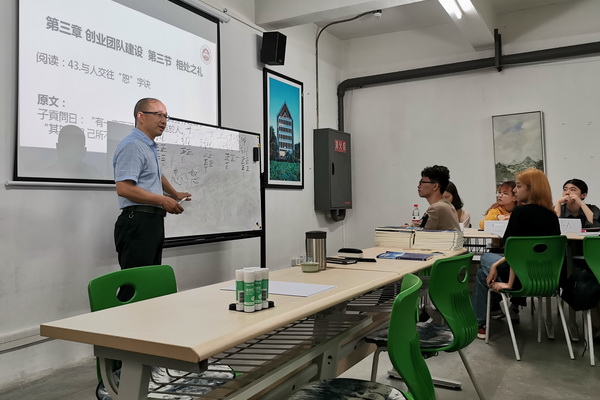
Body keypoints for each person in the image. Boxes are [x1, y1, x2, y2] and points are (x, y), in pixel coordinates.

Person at [471, 168, 560, 339]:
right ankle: (490, 315)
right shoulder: (552, 216)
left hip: (520, 276)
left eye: (518, 186)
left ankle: (480, 324)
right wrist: (497, 264)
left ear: (531, 189)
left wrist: (508, 282)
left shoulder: (520, 212)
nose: (515, 190)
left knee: (485, 262)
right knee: (486, 270)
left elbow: (511, 250)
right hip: (546, 277)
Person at [113, 98, 191, 271]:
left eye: (166, 116)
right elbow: (124, 188)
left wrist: (174, 194)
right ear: (141, 116)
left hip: (151, 222)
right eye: (158, 115)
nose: (163, 121)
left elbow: (156, 175)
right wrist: (162, 200)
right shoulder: (132, 145)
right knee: (137, 281)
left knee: (150, 279)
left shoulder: (147, 146)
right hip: (138, 222)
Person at [417, 165, 461, 231]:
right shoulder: (447, 205)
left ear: (435, 186)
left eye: (422, 182)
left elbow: (420, 230)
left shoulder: (436, 208)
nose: (418, 186)